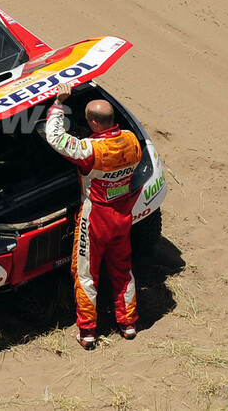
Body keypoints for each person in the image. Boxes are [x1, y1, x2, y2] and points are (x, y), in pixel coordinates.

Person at [45, 82, 142, 350]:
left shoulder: (90, 150)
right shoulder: (132, 140)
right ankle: (129, 325)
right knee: (123, 271)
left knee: (85, 275)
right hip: (122, 216)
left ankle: (87, 332)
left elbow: (55, 137)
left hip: (95, 220)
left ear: (95, 124)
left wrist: (58, 103)